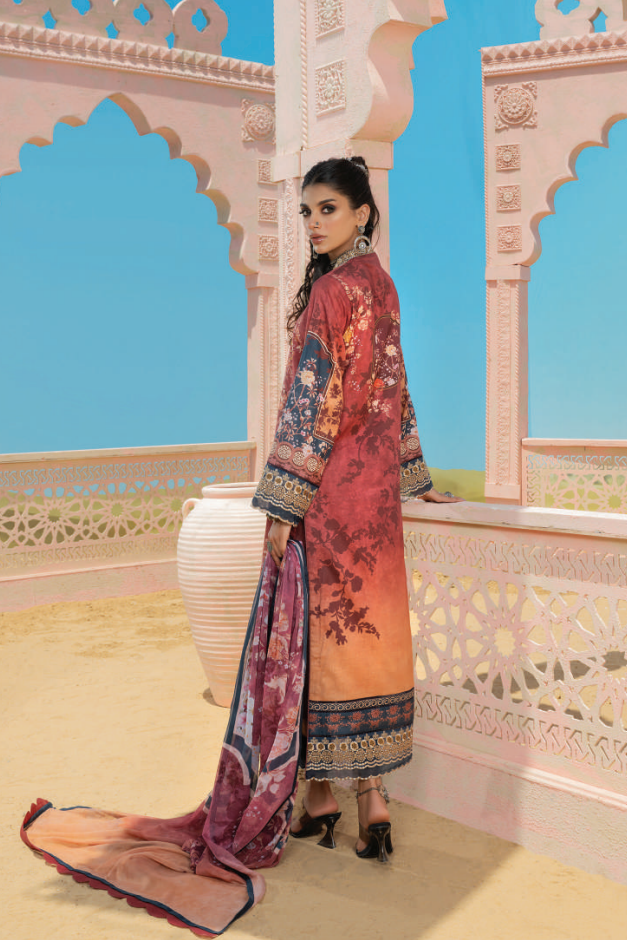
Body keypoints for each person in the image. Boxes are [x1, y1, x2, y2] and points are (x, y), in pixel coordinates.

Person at [252, 156, 462, 862]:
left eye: (328, 209)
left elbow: (312, 402)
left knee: (318, 643)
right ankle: (370, 800)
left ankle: (318, 798)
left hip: (326, 499)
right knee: (368, 643)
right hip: (375, 506)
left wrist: (283, 503)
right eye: (307, 211)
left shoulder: (329, 292)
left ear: (362, 213)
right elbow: (395, 390)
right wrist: (412, 476)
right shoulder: (382, 285)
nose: (313, 224)